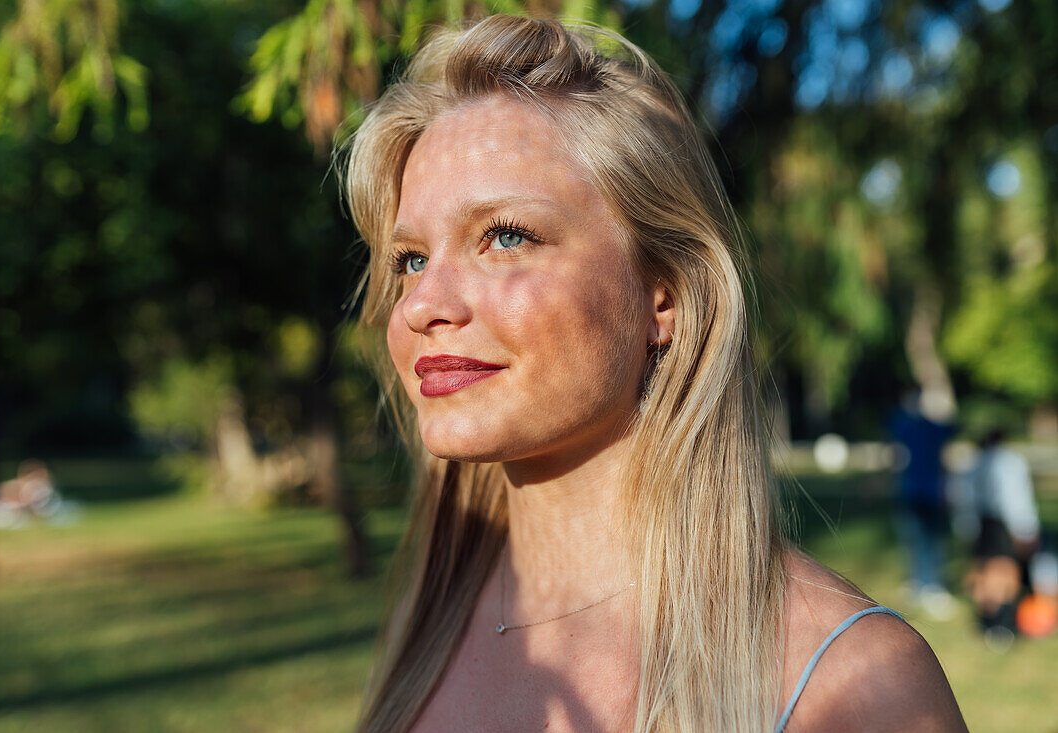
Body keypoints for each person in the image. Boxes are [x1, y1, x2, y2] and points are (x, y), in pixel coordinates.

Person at [344, 15, 965, 731]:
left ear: (662, 297)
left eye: (506, 235)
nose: (422, 303)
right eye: (411, 258)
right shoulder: (428, 626)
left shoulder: (849, 684)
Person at [962, 429, 1042, 645]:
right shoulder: (1011, 462)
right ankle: (1002, 623)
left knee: (982, 574)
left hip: (981, 524)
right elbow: (1016, 498)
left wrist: (967, 528)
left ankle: (986, 622)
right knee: (1005, 575)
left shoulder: (973, 464)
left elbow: (964, 497)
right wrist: (1025, 529)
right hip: (1004, 525)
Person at [888, 389, 956, 616]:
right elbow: (952, 425)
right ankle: (927, 584)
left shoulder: (907, 426)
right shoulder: (927, 427)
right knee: (926, 540)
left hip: (919, 491)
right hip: (924, 492)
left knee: (921, 539)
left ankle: (925, 583)